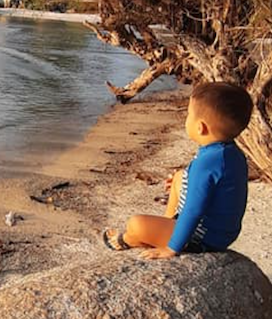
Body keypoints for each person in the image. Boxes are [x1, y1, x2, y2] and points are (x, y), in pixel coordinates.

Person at [103, 82, 254, 260]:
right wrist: (184, 180)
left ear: (201, 127)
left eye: (189, 114)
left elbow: (193, 210)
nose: (186, 118)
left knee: (136, 224)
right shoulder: (231, 153)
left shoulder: (207, 163)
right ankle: (167, 222)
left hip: (202, 236)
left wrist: (172, 248)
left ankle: (130, 239)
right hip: (222, 232)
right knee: (178, 177)